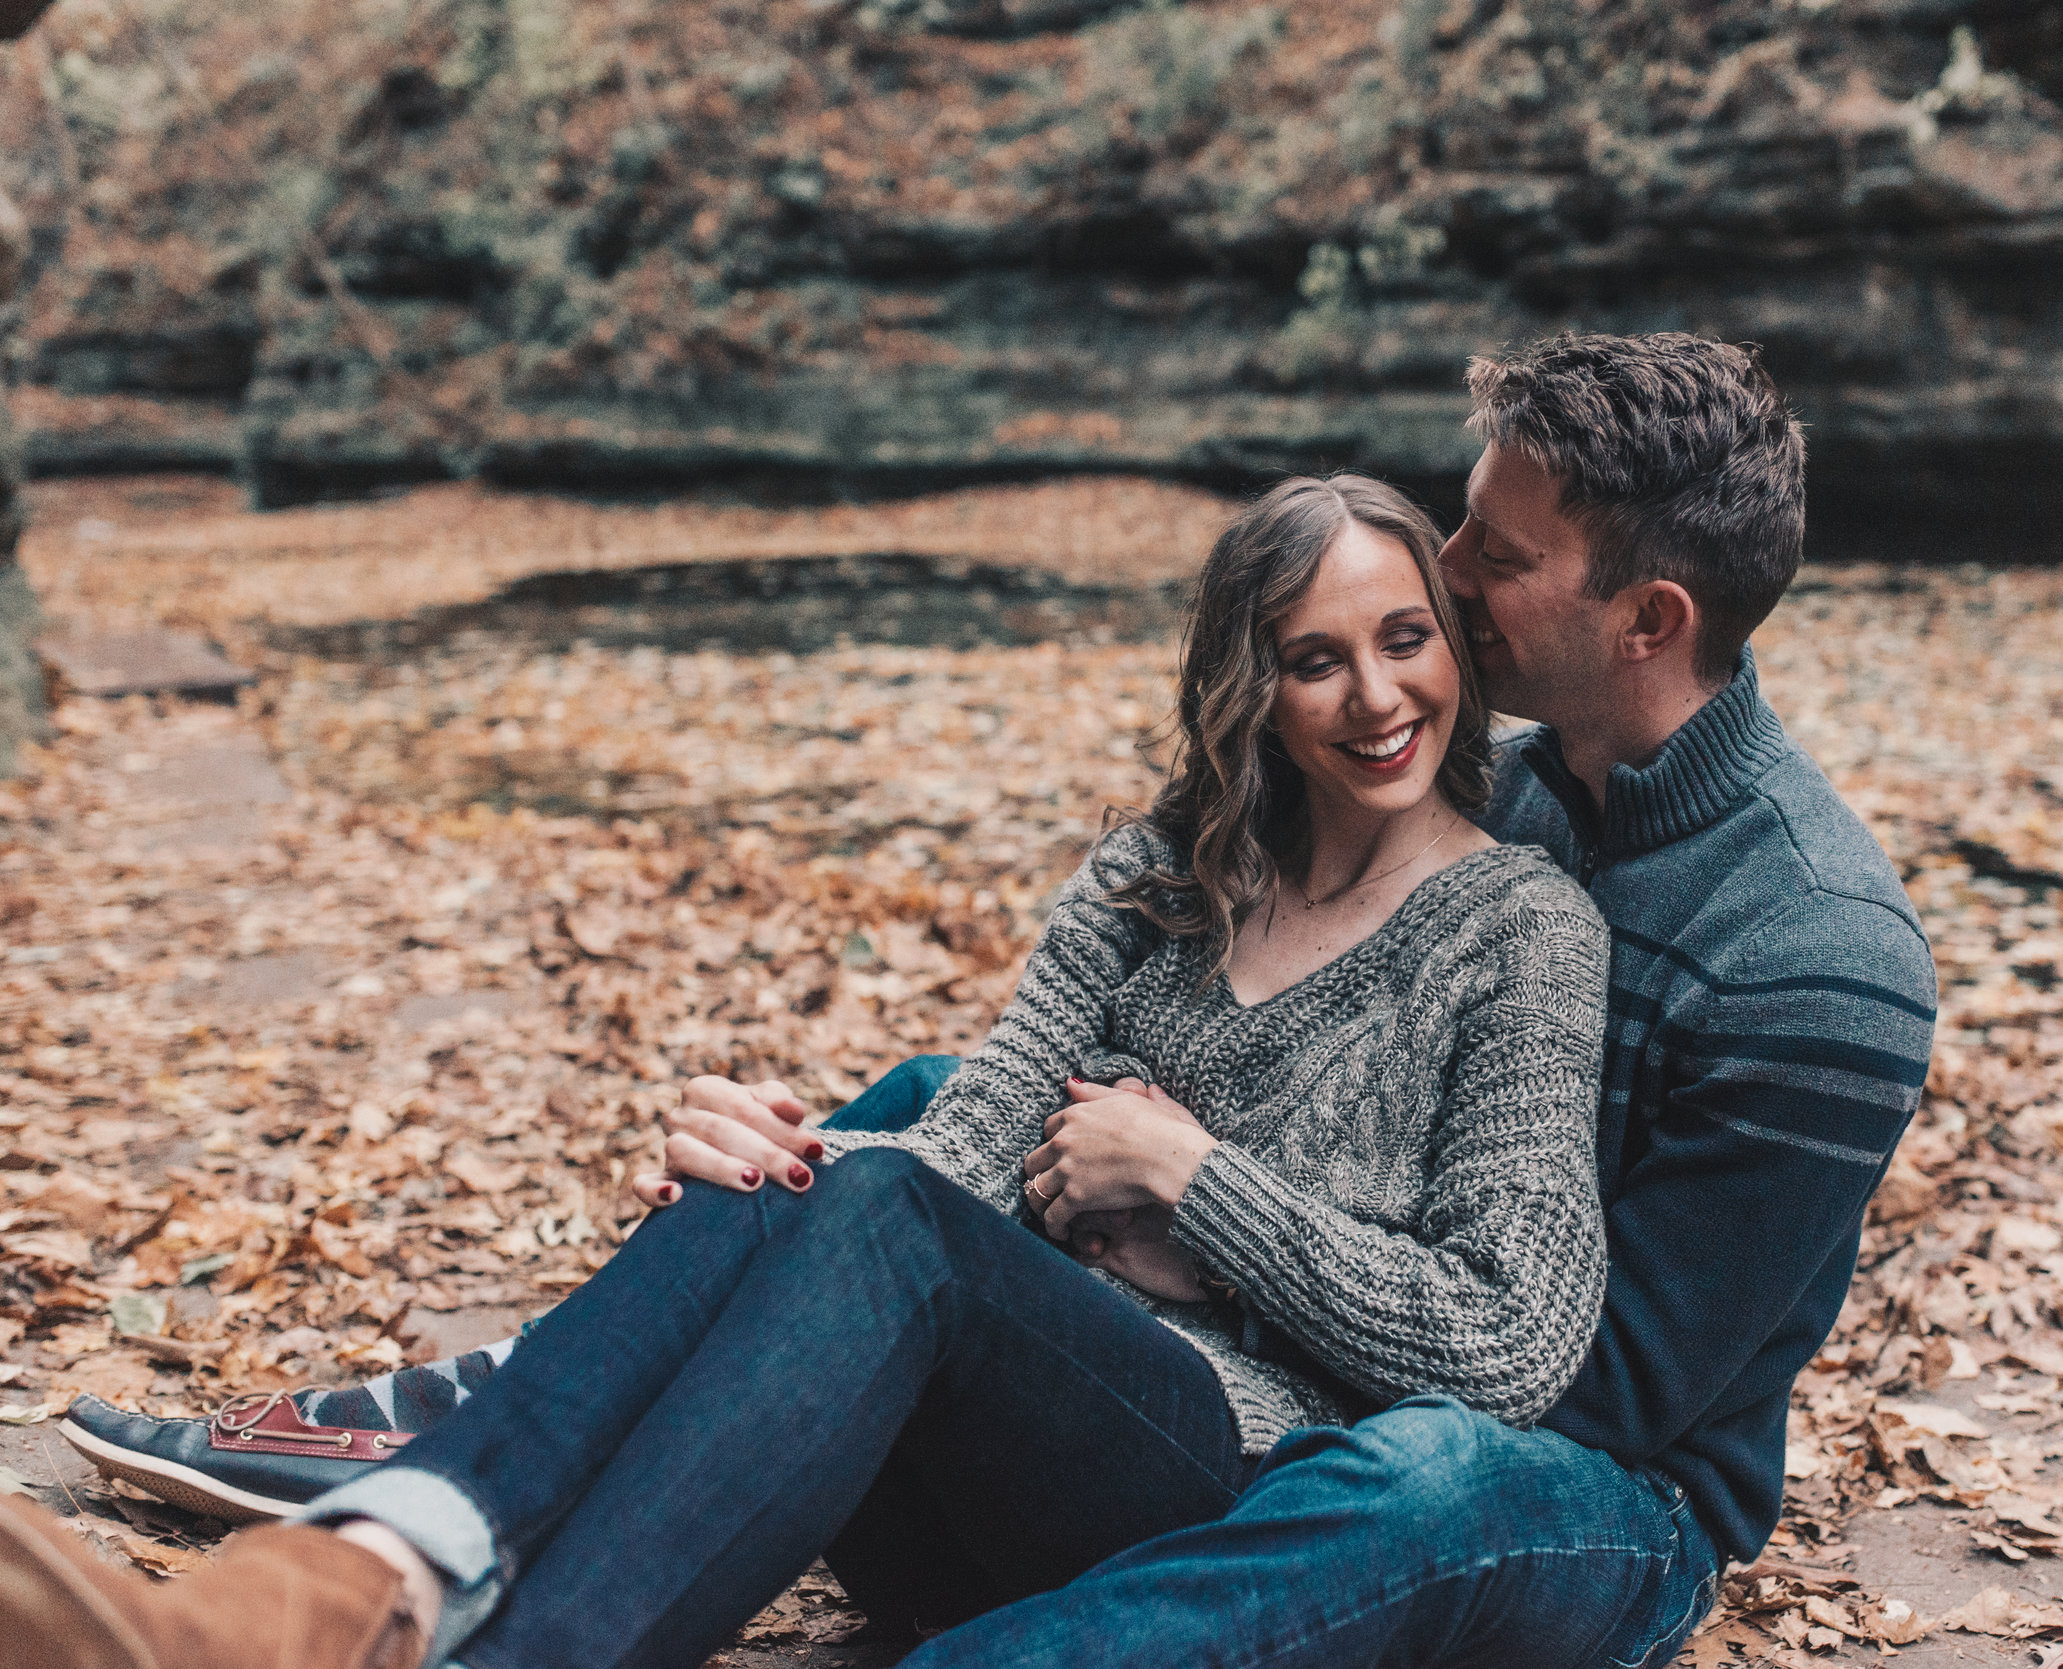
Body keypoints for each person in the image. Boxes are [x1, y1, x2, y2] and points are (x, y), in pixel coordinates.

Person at [56, 330, 1940, 1669]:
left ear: (1650, 620)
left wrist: (1188, 1221)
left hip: (1580, 1490)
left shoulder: (1817, 957)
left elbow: (1590, 1389)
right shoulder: (1503, 773)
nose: (1441, 594)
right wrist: (818, 1172)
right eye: (1435, 549)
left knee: (1423, 1467)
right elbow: (1149, 1056)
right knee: (892, 1125)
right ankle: (514, 1429)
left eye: (1488, 560)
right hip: (1286, 1349)